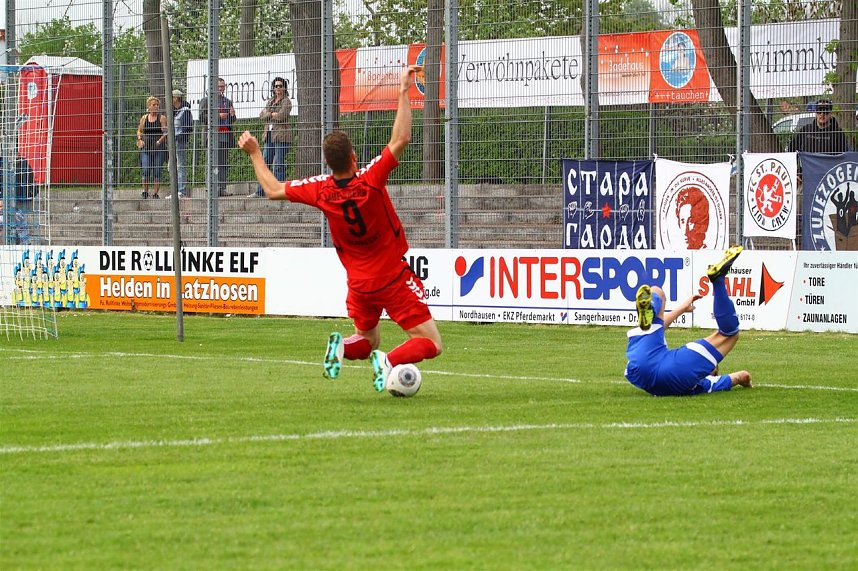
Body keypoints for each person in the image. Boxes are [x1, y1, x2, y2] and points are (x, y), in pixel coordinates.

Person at [238, 65, 443, 393]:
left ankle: (343, 348)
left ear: (327, 163)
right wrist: (404, 90)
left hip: (359, 285)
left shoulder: (320, 189)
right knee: (430, 342)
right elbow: (401, 138)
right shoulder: (370, 179)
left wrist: (256, 153)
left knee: (368, 340)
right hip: (391, 276)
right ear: (353, 155)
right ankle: (389, 362)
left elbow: (274, 189)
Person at [624, 245, 752, 397]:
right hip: (650, 374)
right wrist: (747, 384)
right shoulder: (707, 382)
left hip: (642, 361)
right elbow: (742, 376)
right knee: (729, 335)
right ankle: (717, 280)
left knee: (658, 292)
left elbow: (743, 376)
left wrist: (681, 310)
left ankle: (651, 307)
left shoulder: (700, 373)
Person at [250, 77, 292, 198]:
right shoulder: (270, 101)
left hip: (281, 136)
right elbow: (261, 115)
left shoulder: (286, 101)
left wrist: (269, 114)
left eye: (280, 86)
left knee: (279, 164)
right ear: (273, 88)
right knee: (264, 164)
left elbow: (281, 116)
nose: (278, 88)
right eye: (276, 86)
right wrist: (272, 114)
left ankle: (280, 192)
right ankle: (260, 191)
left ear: (284, 88)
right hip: (269, 135)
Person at [199, 78, 237, 197]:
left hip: (225, 136)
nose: (221, 89)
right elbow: (202, 117)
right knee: (211, 162)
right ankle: (210, 188)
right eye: (219, 87)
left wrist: (232, 115)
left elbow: (232, 120)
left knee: (223, 163)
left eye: (222, 86)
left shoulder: (227, 101)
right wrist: (217, 115)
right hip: (212, 136)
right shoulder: (206, 100)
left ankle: (222, 188)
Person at [787, 99, 852, 154]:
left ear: (830, 114)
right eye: (819, 111)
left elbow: (844, 154)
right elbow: (791, 149)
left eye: (825, 111)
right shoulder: (805, 130)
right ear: (815, 113)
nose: (822, 114)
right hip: (808, 168)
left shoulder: (838, 133)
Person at [136, 96, 168, 199]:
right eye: (153, 105)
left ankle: (155, 193)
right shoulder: (144, 118)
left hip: (158, 147)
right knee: (146, 169)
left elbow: (165, 132)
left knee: (157, 170)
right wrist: (140, 139)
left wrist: (159, 141)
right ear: (149, 106)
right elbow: (139, 131)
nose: (156, 106)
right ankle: (145, 191)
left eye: (157, 105)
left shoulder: (162, 118)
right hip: (146, 147)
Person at [171, 89, 193, 198]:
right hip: (172, 143)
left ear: (176, 98)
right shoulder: (173, 111)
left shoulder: (185, 111)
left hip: (180, 142)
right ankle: (175, 191)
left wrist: (178, 137)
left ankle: (181, 190)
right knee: (172, 166)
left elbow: (188, 127)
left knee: (180, 166)